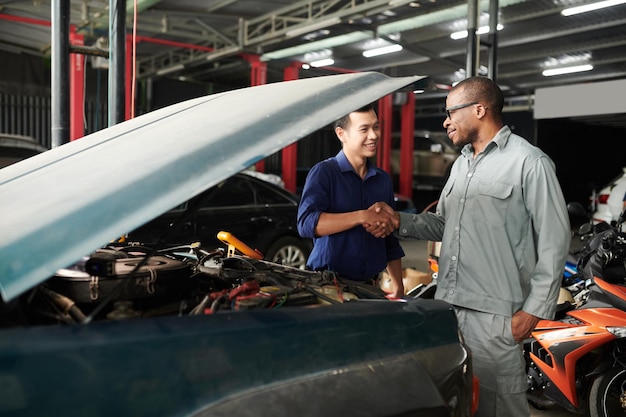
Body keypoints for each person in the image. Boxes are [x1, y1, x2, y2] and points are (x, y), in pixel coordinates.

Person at [372, 77, 571, 417]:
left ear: (479, 109)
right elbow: (443, 225)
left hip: (496, 317)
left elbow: (555, 240)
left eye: (451, 112)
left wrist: (533, 311)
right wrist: (398, 221)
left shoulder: (529, 162)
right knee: (460, 402)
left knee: (499, 406)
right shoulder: (461, 164)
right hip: (450, 307)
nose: (445, 121)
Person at [297, 103, 404, 298]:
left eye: (376, 127)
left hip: (371, 288)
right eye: (364, 129)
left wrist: (398, 286)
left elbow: (389, 238)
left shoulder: (382, 180)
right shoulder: (324, 173)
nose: (373, 135)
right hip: (329, 288)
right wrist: (362, 216)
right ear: (341, 134)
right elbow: (306, 224)